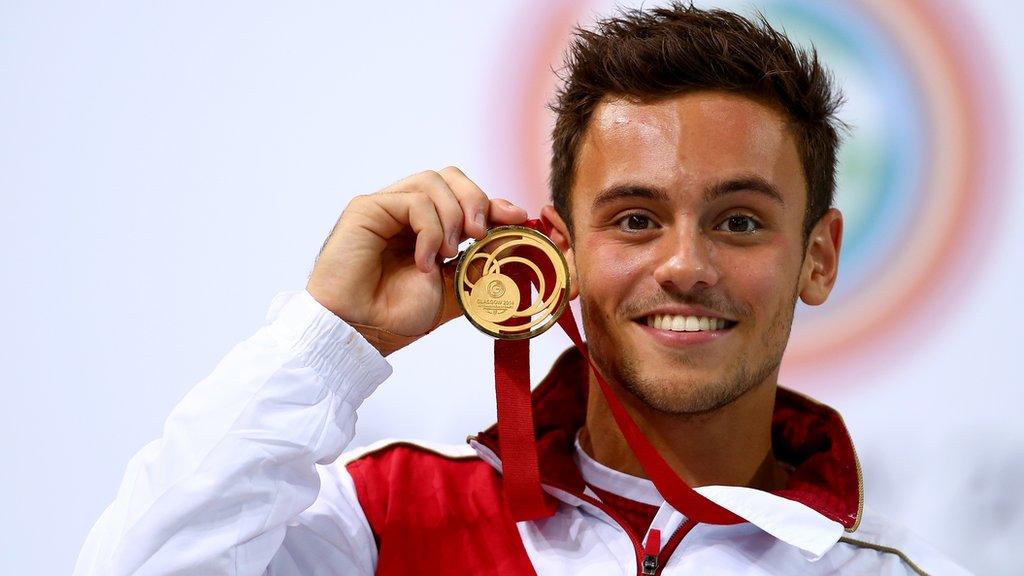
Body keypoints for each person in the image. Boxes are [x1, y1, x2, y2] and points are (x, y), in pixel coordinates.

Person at [73, 4, 970, 575]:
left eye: (738, 221)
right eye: (634, 218)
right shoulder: (383, 522)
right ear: (559, 249)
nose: (685, 265)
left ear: (818, 256)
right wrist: (328, 342)